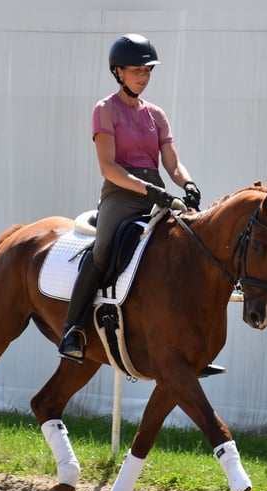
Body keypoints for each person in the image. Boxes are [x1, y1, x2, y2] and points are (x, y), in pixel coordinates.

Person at [58, 33, 202, 363]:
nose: (143, 76)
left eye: (147, 71)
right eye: (136, 70)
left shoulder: (156, 114)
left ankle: (194, 338)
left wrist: (188, 183)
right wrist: (150, 191)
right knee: (102, 251)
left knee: (192, 245)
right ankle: (72, 329)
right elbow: (108, 166)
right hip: (122, 194)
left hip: (158, 192)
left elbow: (172, 162)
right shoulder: (105, 109)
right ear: (118, 71)